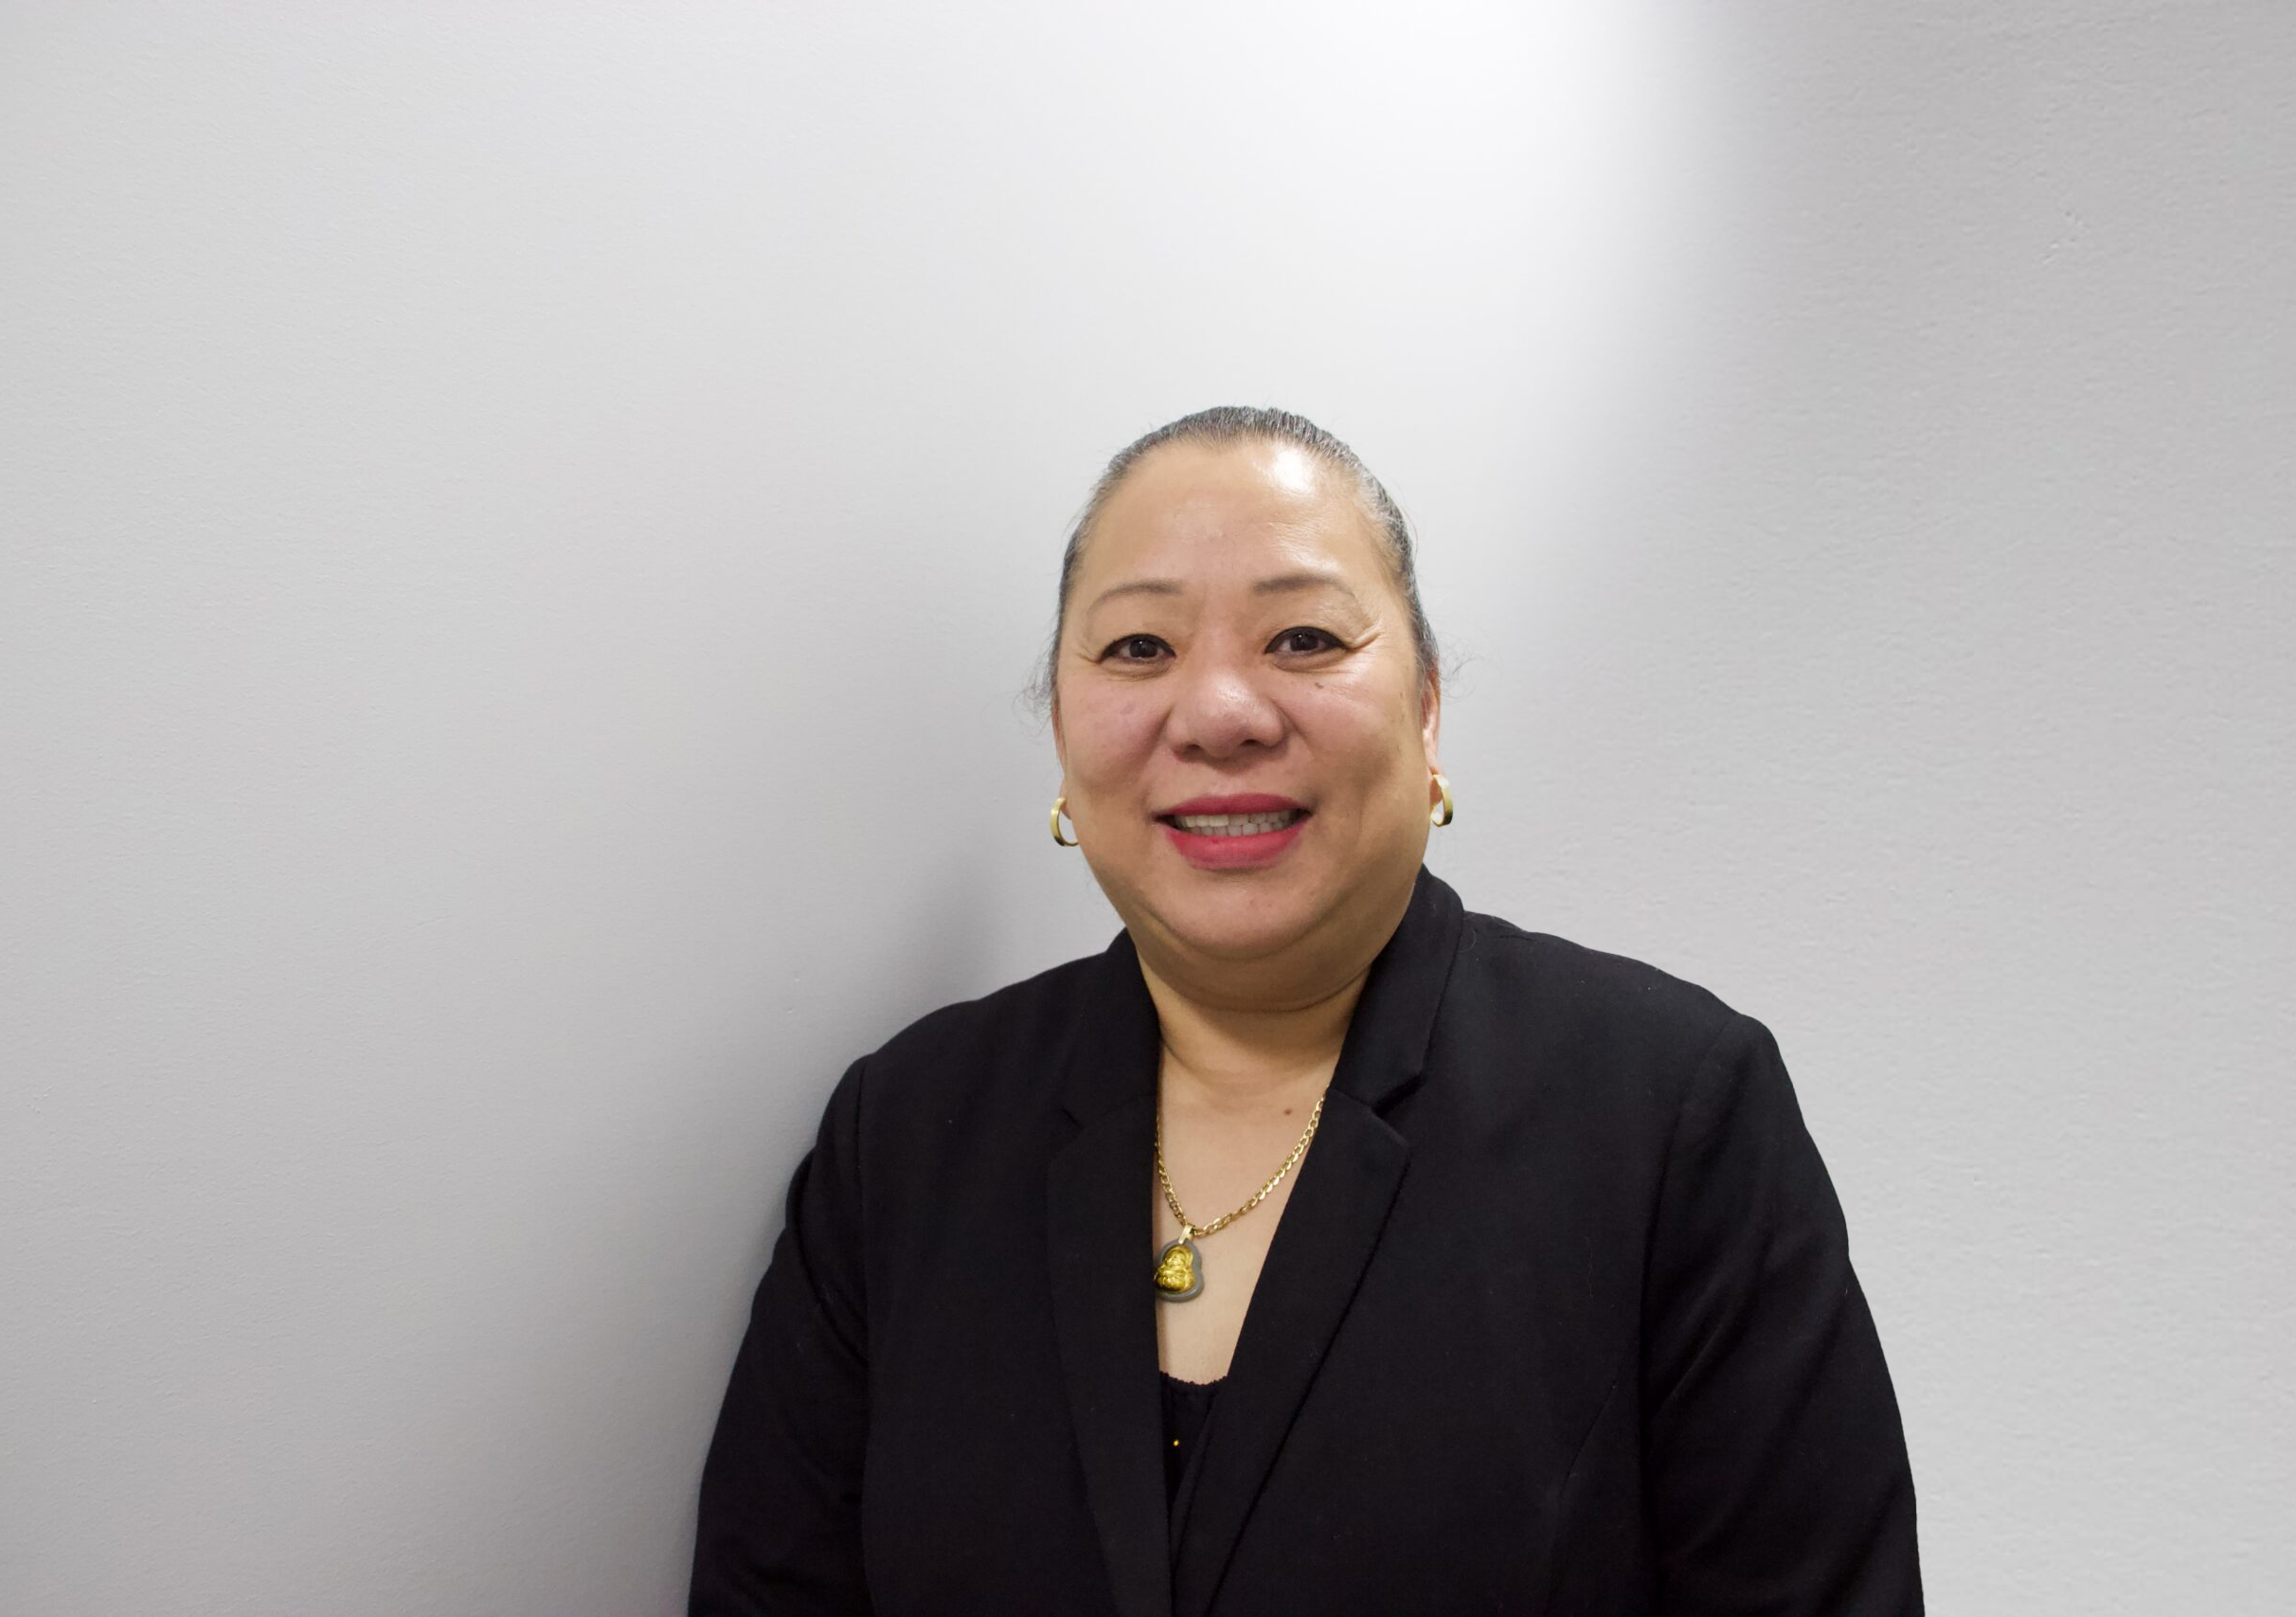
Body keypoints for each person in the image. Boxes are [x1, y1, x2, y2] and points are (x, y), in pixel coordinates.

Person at [690, 406, 1922, 1615]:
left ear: (1426, 710)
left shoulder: (1666, 1113)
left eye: (1303, 638)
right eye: (1139, 648)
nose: (1219, 714)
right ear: (1061, 733)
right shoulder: (908, 1133)